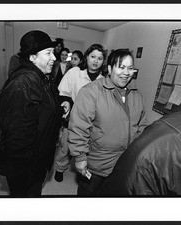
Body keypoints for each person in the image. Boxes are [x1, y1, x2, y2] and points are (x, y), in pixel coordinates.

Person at [0, 30, 70, 197]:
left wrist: (63, 103)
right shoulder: (23, 83)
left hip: (36, 161)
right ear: (32, 57)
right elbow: (17, 137)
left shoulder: (40, 77)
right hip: (26, 168)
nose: (54, 57)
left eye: (53, 52)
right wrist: (29, 171)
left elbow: (46, 103)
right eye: (48, 53)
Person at [68, 49, 148, 196]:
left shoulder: (137, 95)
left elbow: (142, 127)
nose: (126, 72)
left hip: (124, 164)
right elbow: (79, 126)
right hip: (97, 164)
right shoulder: (91, 92)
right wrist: (80, 157)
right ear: (110, 68)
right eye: (121, 67)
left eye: (130, 68)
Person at [54, 44, 106, 182]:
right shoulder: (75, 72)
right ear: (87, 57)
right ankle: (60, 168)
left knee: (87, 151)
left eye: (100, 58)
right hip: (72, 119)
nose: (95, 61)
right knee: (66, 148)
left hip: (93, 122)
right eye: (93, 56)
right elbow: (63, 92)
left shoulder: (104, 80)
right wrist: (68, 104)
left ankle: (83, 171)